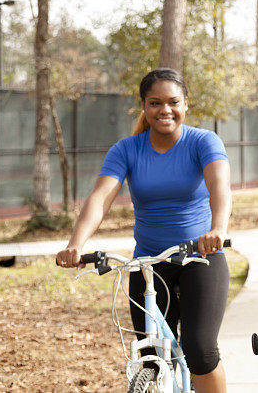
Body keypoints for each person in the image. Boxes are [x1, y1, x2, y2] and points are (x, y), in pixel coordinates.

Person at [57, 68, 231, 393]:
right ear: (144, 107)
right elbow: (100, 198)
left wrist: (217, 229)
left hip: (200, 258)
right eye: (155, 103)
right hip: (148, 265)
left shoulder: (203, 141)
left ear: (186, 104)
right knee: (150, 356)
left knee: (200, 349)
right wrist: (75, 244)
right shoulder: (127, 149)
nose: (165, 110)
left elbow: (220, 187)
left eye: (173, 102)